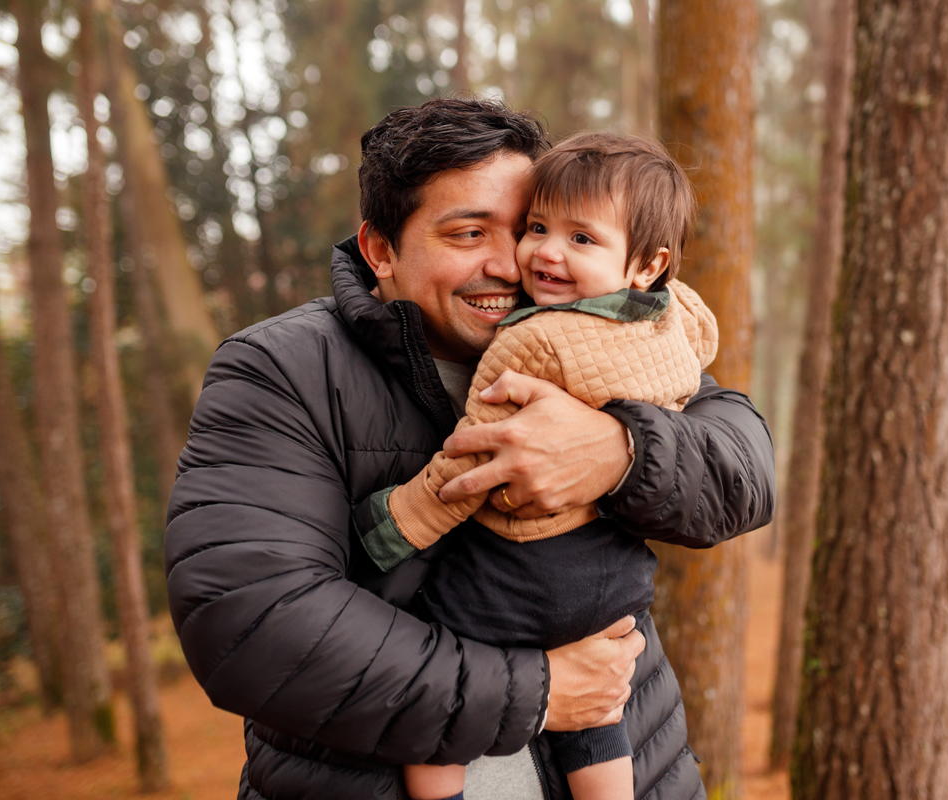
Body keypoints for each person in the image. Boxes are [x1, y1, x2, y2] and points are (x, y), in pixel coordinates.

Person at [165, 98, 775, 800]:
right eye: (468, 233)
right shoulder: (281, 371)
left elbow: (746, 470)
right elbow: (249, 625)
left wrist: (622, 451)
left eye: (523, 228)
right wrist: (539, 692)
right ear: (380, 250)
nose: (515, 263)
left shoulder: (602, 329)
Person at [361, 132, 715, 800]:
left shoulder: (529, 340)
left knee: (433, 701)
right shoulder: (679, 318)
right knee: (601, 714)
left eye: (580, 239)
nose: (539, 254)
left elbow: (473, 461)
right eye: (539, 228)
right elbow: (702, 363)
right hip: (616, 578)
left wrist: (394, 525)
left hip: (521, 572)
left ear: (648, 263)